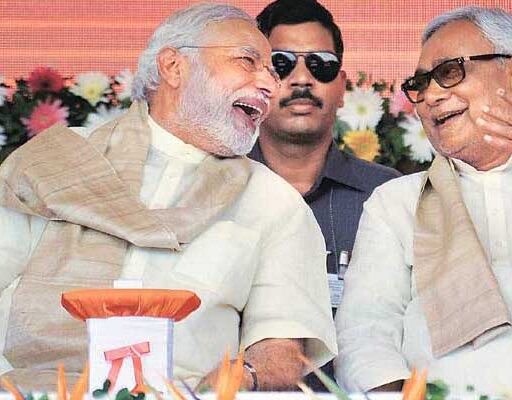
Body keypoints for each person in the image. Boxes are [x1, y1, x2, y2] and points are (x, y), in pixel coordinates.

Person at [0, 3, 336, 391]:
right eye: (248, 61)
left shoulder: (273, 201)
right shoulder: (57, 161)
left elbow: (284, 344)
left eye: (272, 72)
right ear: (174, 66)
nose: (271, 85)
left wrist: (240, 378)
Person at [335, 6, 512, 396]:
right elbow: (364, 333)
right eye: (421, 83)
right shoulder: (397, 202)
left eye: (449, 72)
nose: (431, 95)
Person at [250, 0, 401, 304]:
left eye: (321, 63)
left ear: (342, 88)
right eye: (281, 63)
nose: (302, 79)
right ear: (256, 82)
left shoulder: (388, 195)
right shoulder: (216, 188)